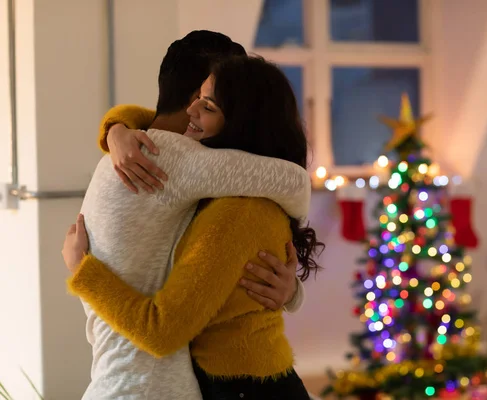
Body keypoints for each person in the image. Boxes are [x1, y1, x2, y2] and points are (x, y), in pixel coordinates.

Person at [64, 31, 312, 400]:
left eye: (209, 104)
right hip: (152, 387)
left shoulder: (138, 151)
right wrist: (84, 274)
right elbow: (294, 181)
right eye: (200, 100)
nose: (197, 110)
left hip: (119, 379)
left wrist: (115, 128)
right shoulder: (182, 162)